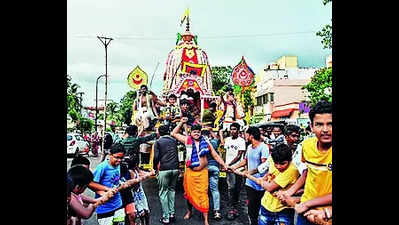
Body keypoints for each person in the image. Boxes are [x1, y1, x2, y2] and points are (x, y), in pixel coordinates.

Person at [277, 101, 332, 225]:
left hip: (325, 215)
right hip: (304, 212)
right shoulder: (306, 145)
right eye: (319, 124)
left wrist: (307, 203)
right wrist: (289, 192)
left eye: (330, 124)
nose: (325, 130)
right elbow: (307, 172)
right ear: (311, 127)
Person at [171, 117, 229, 225]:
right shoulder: (187, 140)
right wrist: (181, 122)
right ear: (191, 133)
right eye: (194, 132)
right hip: (190, 172)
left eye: (198, 132)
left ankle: (206, 219)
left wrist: (224, 164)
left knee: (203, 194)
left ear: (200, 133)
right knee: (188, 194)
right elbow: (173, 133)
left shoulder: (206, 142)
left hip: (202, 172)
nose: (196, 134)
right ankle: (189, 212)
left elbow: (215, 155)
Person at [240, 144, 299, 225]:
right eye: (276, 163)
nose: (278, 166)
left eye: (282, 163)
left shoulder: (292, 170)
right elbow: (270, 173)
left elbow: (270, 188)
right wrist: (263, 178)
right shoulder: (272, 159)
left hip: (283, 210)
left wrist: (261, 182)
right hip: (266, 205)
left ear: (290, 160)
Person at [230, 126, 269, 225]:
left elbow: (264, 166)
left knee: (261, 207)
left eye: (246, 134)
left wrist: (250, 173)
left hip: (261, 182)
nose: (244, 136)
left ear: (251, 135)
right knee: (251, 208)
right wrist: (234, 167)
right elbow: (245, 160)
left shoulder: (263, 147)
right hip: (250, 183)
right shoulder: (249, 147)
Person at [92, 143, 126, 225]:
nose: (119, 160)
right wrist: (105, 190)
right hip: (104, 208)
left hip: (118, 204)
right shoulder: (102, 167)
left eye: (121, 158)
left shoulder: (118, 166)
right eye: (117, 157)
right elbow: (91, 184)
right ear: (110, 155)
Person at [153, 125, 180, 224]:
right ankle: (172, 214)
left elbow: (156, 157)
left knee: (163, 192)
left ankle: (166, 217)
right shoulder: (173, 141)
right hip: (175, 169)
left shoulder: (158, 142)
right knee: (171, 190)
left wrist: (154, 168)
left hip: (164, 169)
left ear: (159, 133)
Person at [219, 122, 246, 220]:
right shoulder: (227, 140)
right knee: (230, 188)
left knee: (237, 189)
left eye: (234, 129)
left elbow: (239, 156)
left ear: (238, 131)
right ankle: (231, 209)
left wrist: (229, 165)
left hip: (238, 169)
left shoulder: (241, 141)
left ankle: (235, 208)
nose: (232, 131)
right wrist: (223, 164)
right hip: (228, 169)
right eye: (231, 129)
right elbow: (224, 153)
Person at [201, 128, 222, 220]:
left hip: (204, 169)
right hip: (214, 168)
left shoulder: (201, 143)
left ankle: (204, 210)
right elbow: (218, 138)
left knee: (203, 191)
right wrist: (211, 131)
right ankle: (217, 211)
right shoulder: (214, 142)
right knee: (215, 190)